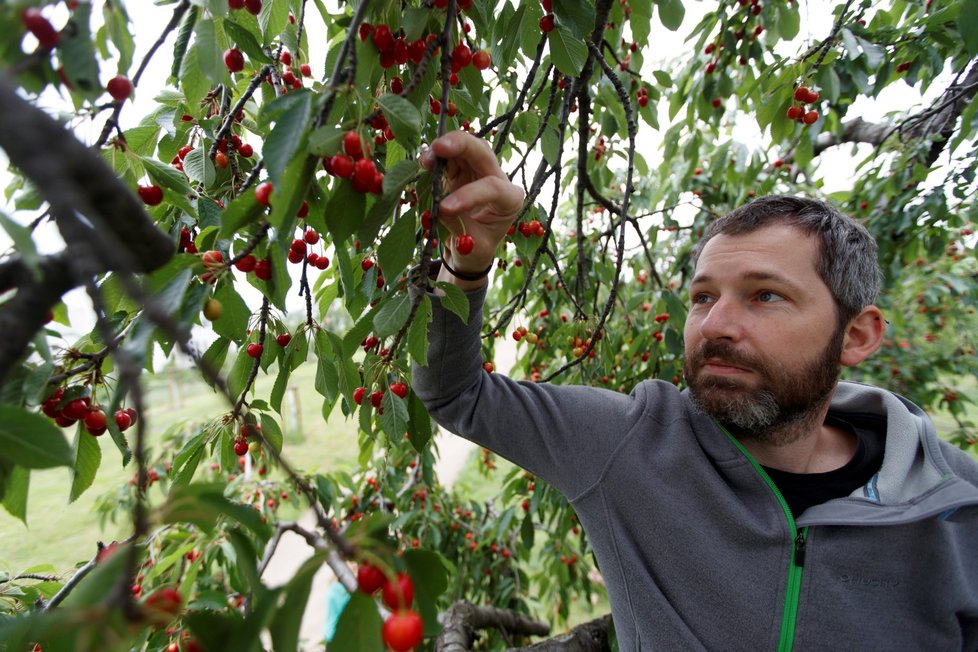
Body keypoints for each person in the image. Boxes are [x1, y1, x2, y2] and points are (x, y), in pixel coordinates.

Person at [411, 131, 978, 651]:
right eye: (704, 297)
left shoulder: (955, 503)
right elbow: (459, 394)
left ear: (856, 335)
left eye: (765, 296)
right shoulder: (627, 446)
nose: (713, 326)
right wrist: (466, 268)